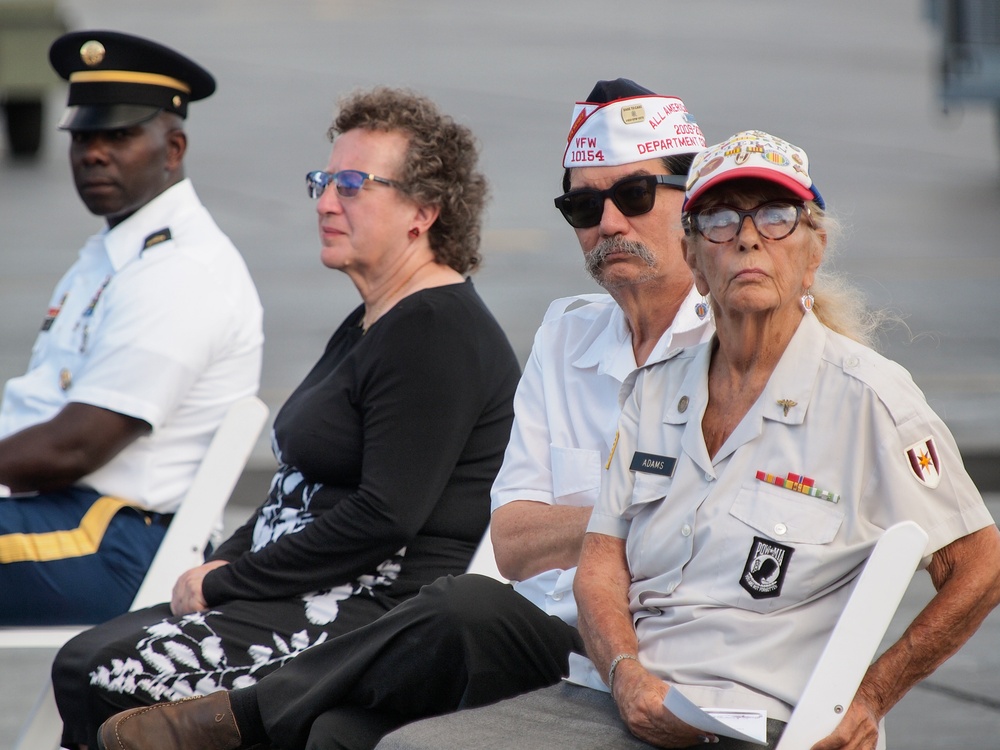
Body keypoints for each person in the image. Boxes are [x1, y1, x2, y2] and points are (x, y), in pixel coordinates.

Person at [86, 79, 715, 750]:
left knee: (455, 611)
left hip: (659, 653)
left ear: (694, 202)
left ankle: (242, 715)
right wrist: (643, 506)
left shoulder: (734, 342)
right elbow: (516, 541)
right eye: (583, 204)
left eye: (635, 195)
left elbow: (720, 525)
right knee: (339, 727)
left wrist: (602, 518)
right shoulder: (568, 334)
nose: (609, 223)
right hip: (550, 638)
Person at [372, 130, 1000, 750]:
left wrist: (868, 698)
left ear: (813, 253)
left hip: (757, 723)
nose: (749, 236)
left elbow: (982, 563)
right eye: (721, 220)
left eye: (777, 217)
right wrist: (624, 675)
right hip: (617, 701)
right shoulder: (654, 391)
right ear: (695, 260)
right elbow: (601, 559)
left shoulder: (868, 396)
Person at [50, 85, 521, 750]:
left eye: (353, 184)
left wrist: (230, 581)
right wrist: (223, 569)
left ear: (424, 210)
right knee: (86, 657)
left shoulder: (435, 332)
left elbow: (385, 517)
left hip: (368, 612)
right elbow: (294, 483)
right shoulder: (372, 319)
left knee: (104, 671)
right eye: (323, 182)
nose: (326, 201)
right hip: (300, 587)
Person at [0, 30, 264, 625]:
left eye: (118, 136)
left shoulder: (181, 269)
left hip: (118, 540)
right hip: (63, 517)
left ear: (173, 148)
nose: (93, 153)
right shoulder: (119, 249)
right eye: (83, 137)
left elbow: (75, 444)